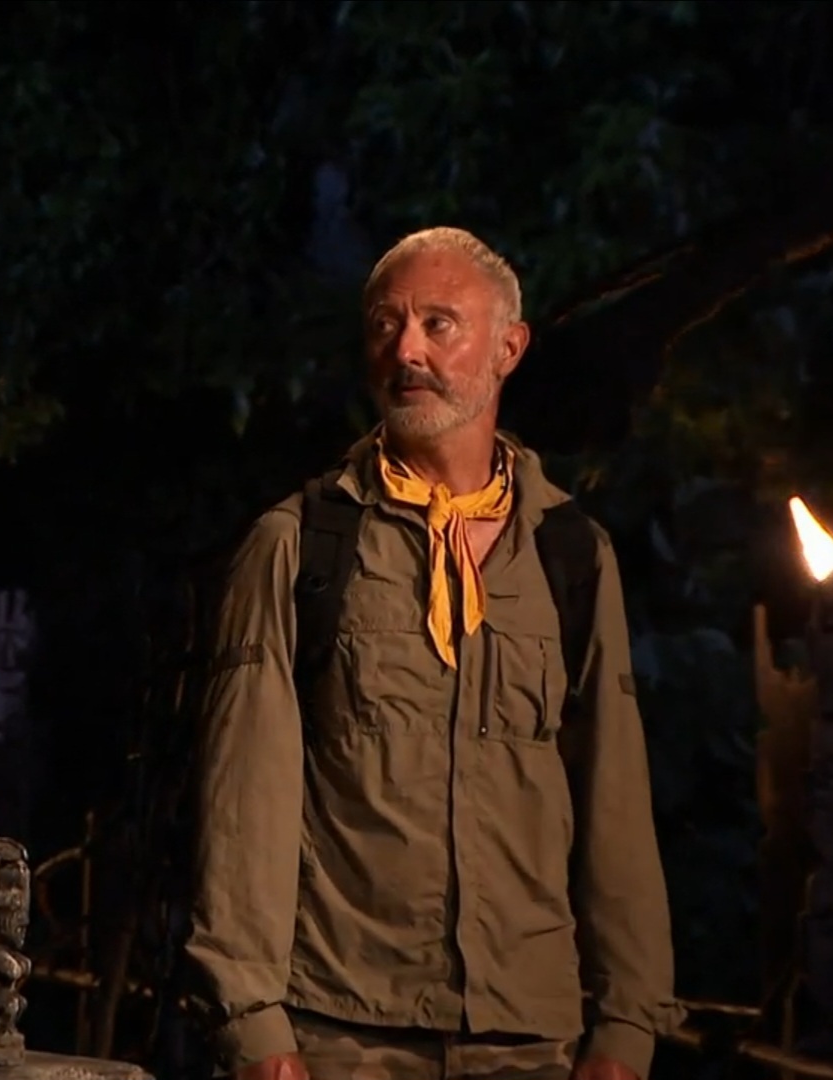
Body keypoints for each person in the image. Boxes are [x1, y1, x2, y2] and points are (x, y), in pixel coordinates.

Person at [185, 227, 680, 1080]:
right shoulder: (299, 545)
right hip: (342, 1029)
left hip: (530, 1036)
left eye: (438, 324)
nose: (406, 351)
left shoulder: (569, 554)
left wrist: (627, 1024)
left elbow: (612, 790)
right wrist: (253, 1022)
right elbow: (243, 798)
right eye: (386, 324)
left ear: (508, 348)